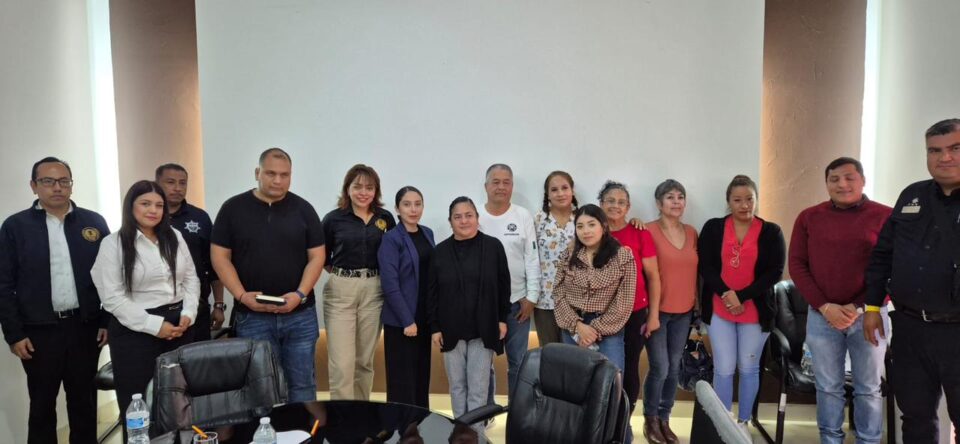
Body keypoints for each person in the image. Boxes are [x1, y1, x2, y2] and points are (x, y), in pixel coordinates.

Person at [0, 157, 109, 444]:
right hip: (38, 332)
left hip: (85, 328)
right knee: (42, 406)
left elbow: (111, 277)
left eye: (64, 181)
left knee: (84, 404)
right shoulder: (15, 227)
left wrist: (106, 320)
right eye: (48, 181)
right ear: (34, 186)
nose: (57, 187)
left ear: (71, 185)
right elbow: (3, 284)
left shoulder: (94, 223)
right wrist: (14, 334)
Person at [864, 118, 960, 443]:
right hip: (910, 330)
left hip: (957, 332)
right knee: (915, 417)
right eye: (935, 150)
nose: (945, 157)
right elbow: (882, 255)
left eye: (955, 148)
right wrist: (872, 307)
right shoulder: (912, 196)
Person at [789, 157, 892, 444]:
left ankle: (868, 440)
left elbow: (894, 267)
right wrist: (825, 306)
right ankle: (830, 439)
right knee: (828, 387)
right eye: (834, 179)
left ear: (863, 181)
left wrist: (860, 307)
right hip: (822, 317)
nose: (842, 184)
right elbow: (797, 264)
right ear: (826, 184)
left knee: (868, 388)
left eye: (849, 177)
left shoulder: (886, 216)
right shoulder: (809, 217)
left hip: (870, 316)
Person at [211, 148, 326, 402]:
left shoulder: (304, 209)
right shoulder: (232, 209)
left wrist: (300, 294)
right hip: (252, 317)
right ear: (257, 173)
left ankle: (301, 428)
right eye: (271, 173)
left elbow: (317, 257)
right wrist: (241, 295)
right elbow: (220, 257)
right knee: (260, 389)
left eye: (285, 175)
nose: (278, 180)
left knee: (302, 386)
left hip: (300, 316)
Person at [91, 180, 199, 434]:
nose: (153, 210)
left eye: (159, 205)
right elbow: (112, 297)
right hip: (134, 330)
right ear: (131, 206)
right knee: (138, 405)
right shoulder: (113, 244)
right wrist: (155, 326)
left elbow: (191, 279)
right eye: (145, 204)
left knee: (180, 402)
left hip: (179, 325)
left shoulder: (174, 237)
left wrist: (188, 313)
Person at [699, 174, 784, 433]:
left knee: (748, 368)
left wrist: (742, 296)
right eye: (737, 200)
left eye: (749, 199)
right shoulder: (713, 228)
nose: (744, 205)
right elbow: (706, 266)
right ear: (728, 201)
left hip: (756, 311)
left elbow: (774, 272)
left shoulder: (771, 231)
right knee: (723, 369)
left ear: (756, 199)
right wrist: (727, 294)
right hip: (719, 309)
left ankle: (743, 422)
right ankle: (723, 425)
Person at [427, 196, 510, 435]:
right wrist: (435, 327)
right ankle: (460, 435)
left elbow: (504, 285)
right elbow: (431, 293)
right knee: (457, 387)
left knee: (478, 388)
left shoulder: (493, 247)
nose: (464, 221)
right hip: (450, 329)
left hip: (484, 329)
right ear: (450, 221)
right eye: (458, 217)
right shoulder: (440, 252)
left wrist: (502, 319)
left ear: (477, 218)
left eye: (468, 215)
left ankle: (475, 436)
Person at [322, 164, 396, 400]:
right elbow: (322, 257)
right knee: (342, 364)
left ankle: (361, 413)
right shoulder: (333, 219)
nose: (363, 192)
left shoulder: (385, 218)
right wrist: (345, 275)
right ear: (348, 189)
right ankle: (343, 417)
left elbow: (393, 253)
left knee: (364, 361)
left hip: (374, 289)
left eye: (369, 187)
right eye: (357, 187)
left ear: (376, 191)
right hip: (341, 290)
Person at [597, 180, 662, 437]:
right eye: (610, 201)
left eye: (621, 202)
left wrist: (653, 315)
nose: (616, 206)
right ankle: (602, 423)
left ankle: (623, 423)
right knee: (604, 368)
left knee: (630, 366)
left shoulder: (639, 233)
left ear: (628, 206)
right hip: (601, 314)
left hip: (635, 312)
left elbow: (653, 276)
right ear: (601, 203)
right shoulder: (593, 230)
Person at [477, 164, 540, 402]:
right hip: (483, 304)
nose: (501, 187)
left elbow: (532, 258)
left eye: (506, 182)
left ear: (512, 186)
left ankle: (518, 412)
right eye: (495, 182)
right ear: (486, 186)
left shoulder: (522, 216)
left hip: (517, 302)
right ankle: (486, 411)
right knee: (483, 363)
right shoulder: (475, 216)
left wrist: (531, 297)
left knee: (519, 362)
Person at [643, 179, 698, 444]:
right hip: (656, 312)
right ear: (658, 203)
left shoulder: (692, 232)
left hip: (684, 311)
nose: (676, 201)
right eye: (670, 197)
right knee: (660, 367)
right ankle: (650, 419)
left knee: (674, 367)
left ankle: (665, 418)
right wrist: (651, 314)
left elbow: (696, 272)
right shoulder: (647, 230)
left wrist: (697, 306)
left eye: (680, 197)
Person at [553, 203, 637, 368]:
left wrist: (593, 330)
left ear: (603, 227)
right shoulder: (569, 255)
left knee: (610, 379)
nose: (586, 231)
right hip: (573, 327)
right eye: (580, 226)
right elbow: (558, 291)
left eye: (591, 224)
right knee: (573, 379)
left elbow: (624, 300)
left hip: (608, 328)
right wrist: (577, 326)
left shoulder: (622, 256)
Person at [377, 186, 435, 409]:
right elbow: (390, 284)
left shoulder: (427, 233)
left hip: (423, 317)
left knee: (421, 377)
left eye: (418, 204)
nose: (413, 209)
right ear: (397, 209)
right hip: (402, 321)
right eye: (407, 204)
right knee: (402, 382)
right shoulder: (391, 239)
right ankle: (401, 427)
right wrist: (407, 320)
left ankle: (420, 423)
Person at [156, 163, 225, 340]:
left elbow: (214, 264)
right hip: (156, 309)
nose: (177, 188)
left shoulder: (200, 218)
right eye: (170, 182)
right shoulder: (148, 217)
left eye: (183, 183)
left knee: (197, 355)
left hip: (196, 305)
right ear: (157, 184)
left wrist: (219, 304)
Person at [533, 170, 578, 346]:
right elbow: (529, 257)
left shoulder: (582, 219)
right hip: (545, 299)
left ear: (572, 190)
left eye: (564, 188)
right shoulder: (537, 220)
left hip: (576, 298)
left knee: (575, 353)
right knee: (549, 350)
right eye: (554, 189)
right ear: (547, 194)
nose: (560, 193)